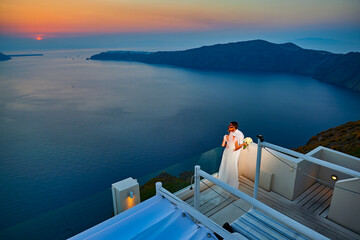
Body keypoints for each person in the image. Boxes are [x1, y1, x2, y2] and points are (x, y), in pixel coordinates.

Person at [218, 124, 247, 189]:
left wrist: (227, 146)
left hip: (226, 151)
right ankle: (230, 179)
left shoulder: (225, 136)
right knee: (232, 166)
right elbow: (237, 147)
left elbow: (223, 145)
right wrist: (243, 144)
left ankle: (224, 177)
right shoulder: (235, 138)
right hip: (232, 153)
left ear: (228, 130)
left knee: (225, 164)